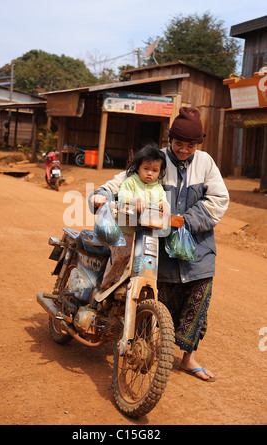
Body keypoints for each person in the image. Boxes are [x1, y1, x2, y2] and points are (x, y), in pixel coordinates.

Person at [89, 107, 229, 382]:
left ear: (198, 144)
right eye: (178, 144)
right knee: (156, 301)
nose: (184, 150)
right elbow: (122, 180)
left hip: (198, 251)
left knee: (197, 304)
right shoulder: (156, 160)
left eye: (191, 145)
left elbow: (219, 200)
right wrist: (101, 194)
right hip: (158, 250)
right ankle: (148, 350)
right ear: (170, 140)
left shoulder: (206, 163)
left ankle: (188, 359)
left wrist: (186, 221)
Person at [100, 143, 169, 289]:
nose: (150, 173)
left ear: (160, 172)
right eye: (146, 169)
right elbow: (123, 196)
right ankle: (106, 285)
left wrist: (166, 205)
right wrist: (134, 201)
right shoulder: (131, 182)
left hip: (148, 235)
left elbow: (163, 201)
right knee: (120, 259)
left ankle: (131, 289)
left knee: (144, 264)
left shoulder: (158, 188)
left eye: (155, 170)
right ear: (138, 167)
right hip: (126, 231)